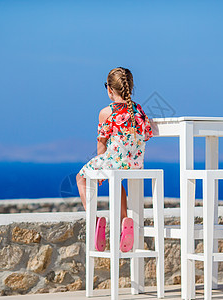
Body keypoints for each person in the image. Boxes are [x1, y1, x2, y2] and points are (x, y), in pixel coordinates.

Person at [76, 67, 153, 252]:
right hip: (136, 163)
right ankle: (123, 220)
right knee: (116, 181)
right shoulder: (138, 110)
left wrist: (98, 162)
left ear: (110, 89)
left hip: (113, 161)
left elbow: (102, 146)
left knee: (81, 177)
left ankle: (94, 220)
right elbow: (148, 134)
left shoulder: (107, 112)